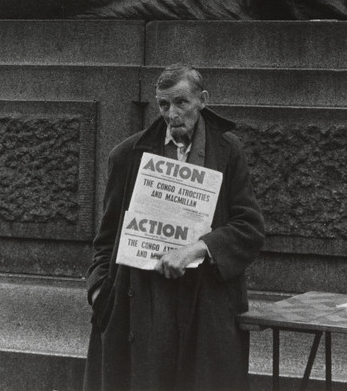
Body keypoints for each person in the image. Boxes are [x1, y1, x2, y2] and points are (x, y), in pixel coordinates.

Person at [83, 64, 266, 391]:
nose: (172, 113)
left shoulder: (228, 150)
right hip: (145, 304)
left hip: (207, 302)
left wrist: (197, 248)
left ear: (203, 100)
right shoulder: (127, 155)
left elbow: (249, 227)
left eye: (181, 102)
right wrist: (100, 293)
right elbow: (106, 239)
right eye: (163, 104)